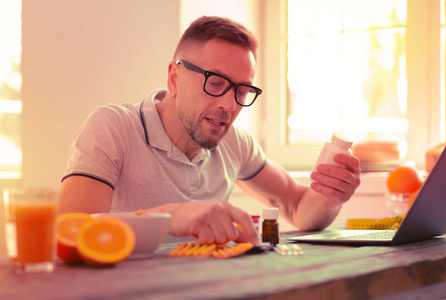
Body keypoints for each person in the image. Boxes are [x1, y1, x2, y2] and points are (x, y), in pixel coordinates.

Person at [58, 16, 361, 246]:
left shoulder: (234, 143)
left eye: (242, 90)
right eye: (215, 83)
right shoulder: (114, 128)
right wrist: (167, 219)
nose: (229, 105)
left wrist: (330, 198)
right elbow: (71, 233)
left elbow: (295, 204)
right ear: (175, 78)